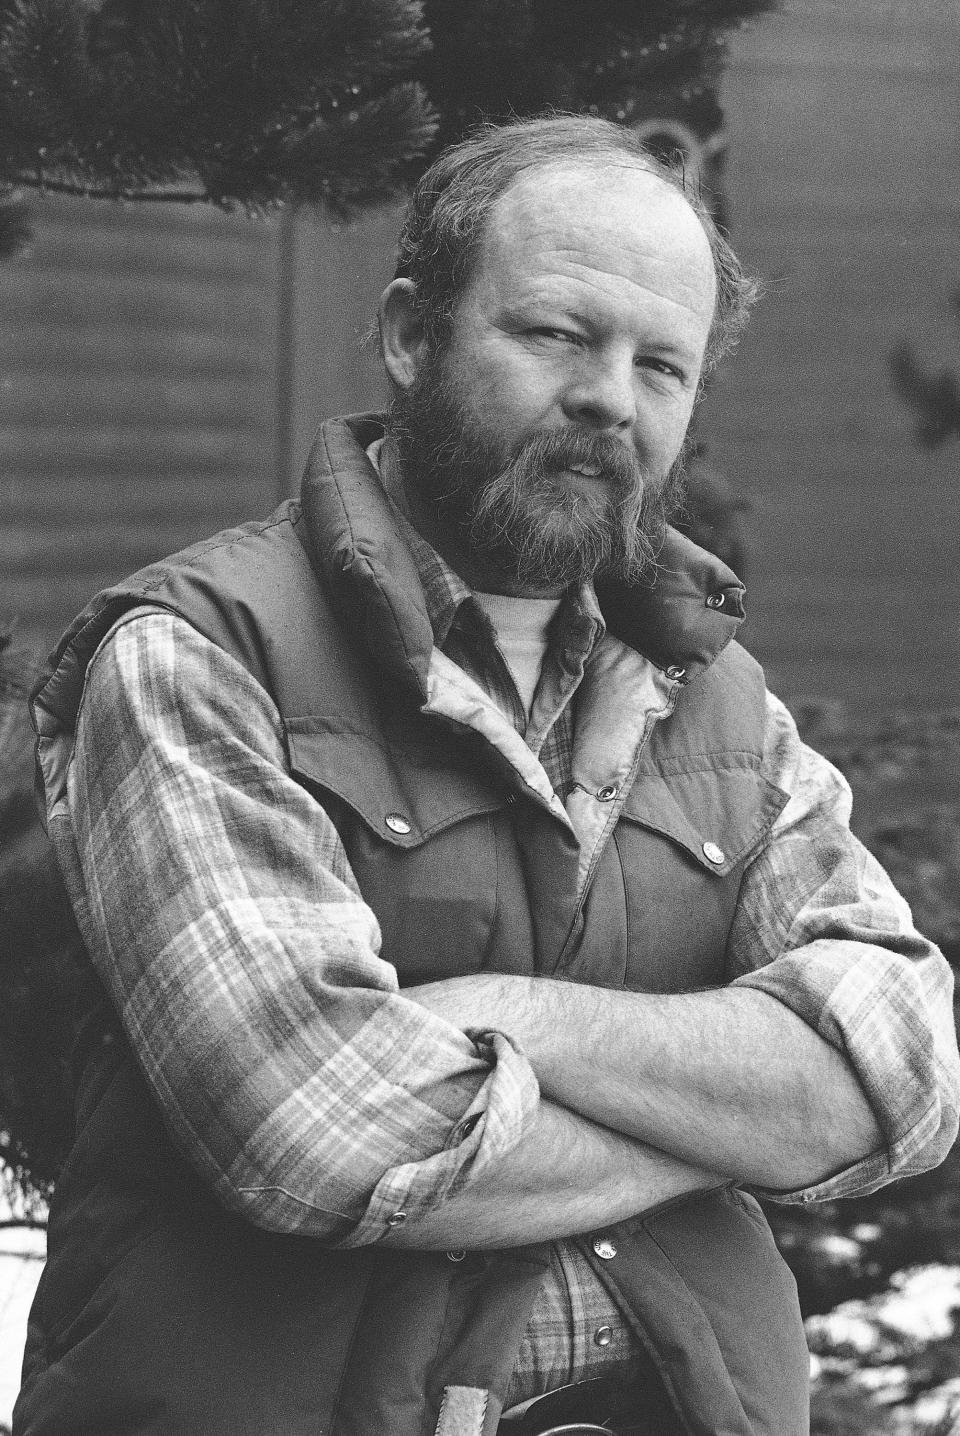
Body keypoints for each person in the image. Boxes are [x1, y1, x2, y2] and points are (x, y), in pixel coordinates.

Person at [17, 115, 959, 1436]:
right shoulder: (196, 656)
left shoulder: (713, 694)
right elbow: (317, 1132)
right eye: (559, 335)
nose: (609, 399)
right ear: (413, 336)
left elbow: (906, 1074)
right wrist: (744, 1118)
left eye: (662, 366)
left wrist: (524, 1016)